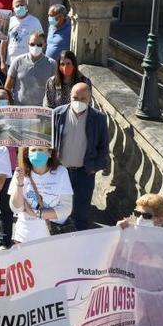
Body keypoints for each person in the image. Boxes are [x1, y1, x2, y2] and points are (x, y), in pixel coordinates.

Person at [52, 83, 110, 231]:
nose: (78, 102)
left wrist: (94, 168)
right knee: (57, 210)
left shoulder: (98, 118)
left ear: (89, 98)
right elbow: (49, 141)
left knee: (81, 213)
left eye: (83, 98)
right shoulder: (58, 114)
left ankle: (80, 244)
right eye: (75, 97)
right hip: (60, 171)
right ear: (69, 96)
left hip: (84, 172)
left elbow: (103, 148)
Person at [9, 146, 73, 245]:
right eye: (33, 150)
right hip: (24, 237)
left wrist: (36, 213)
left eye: (41, 150)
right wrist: (19, 184)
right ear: (27, 153)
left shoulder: (61, 172)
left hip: (51, 237)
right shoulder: (20, 173)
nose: (37, 153)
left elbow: (66, 208)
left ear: (49, 152)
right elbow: (16, 208)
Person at [0, 88, 18, 248]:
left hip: (9, 169)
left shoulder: (17, 121)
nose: (0, 100)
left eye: (3, 97)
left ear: (9, 101)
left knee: (5, 207)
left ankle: (4, 240)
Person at [5, 31, 55, 106]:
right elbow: (7, 88)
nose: (35, 47)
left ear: (44, 45)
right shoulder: (18, 61)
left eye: (39, 45)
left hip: (41, 110)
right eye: (32, 44)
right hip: (19, 109)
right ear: (28, 43)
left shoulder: (51, 64)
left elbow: (55, 89)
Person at [0, 0, 43, 73]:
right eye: (17, 6)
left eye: (22, 5)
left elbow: (42, 43)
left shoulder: (35, 22)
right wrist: (2, 62)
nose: (20, 7)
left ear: (27, 7)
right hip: (11, 63)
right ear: (13, 8)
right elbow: (3, 43)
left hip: (29, 63)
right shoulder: (8, 21)